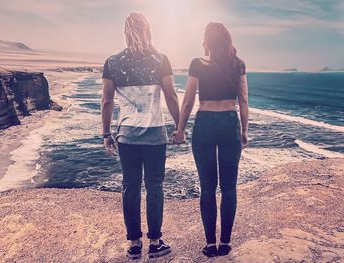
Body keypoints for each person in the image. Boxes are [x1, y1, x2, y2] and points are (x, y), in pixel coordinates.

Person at [101, 13, 180, 259]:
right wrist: (180, 127)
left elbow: (106, 101)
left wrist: (106, 133)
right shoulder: (160, 60)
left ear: (126, 32)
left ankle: (134, 243)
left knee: (130, 186)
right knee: (155, 187)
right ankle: (155, 242)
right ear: (148, 31)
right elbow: (171, 95)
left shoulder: (112, 63)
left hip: (127, 137)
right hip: (155, 136)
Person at [172, 22, 249, 257]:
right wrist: (244, 131)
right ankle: (225, 243)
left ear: (207, 41)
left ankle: (209, 244)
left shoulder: (197, 64)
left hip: (204, 123)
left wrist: (180, 129)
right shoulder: (238, 65)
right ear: (228, 41)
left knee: (208, 187)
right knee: (228, 187)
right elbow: (243, 101)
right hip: (229, 123)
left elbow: (187, 101)